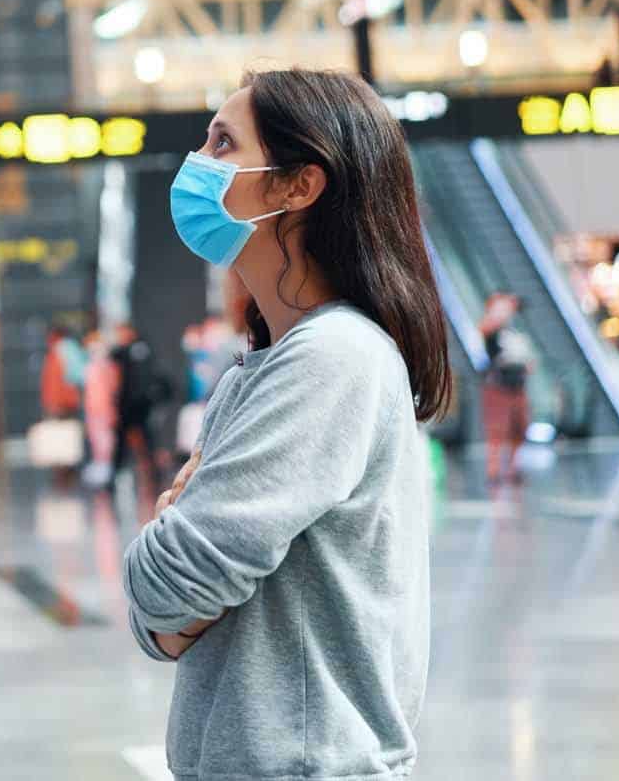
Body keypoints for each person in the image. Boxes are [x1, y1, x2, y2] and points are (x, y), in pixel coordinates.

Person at [123, 68, 452, 781]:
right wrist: (178, 562)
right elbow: (164, 625)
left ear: (298, 185)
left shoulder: (333, 358)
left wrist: (171, 533)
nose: (198, 164)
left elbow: (166, 586)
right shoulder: (266, 366)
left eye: (222, 143)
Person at [479, 293, 535, 486]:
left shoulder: (515, 329)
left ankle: (512, 468)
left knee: (519, 428)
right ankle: (493, 471)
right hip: (498, 386)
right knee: (497, 430)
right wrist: (500, 308)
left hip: (518, 385)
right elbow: (486, 328)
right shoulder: (492, 327)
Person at [114, 322, 170, 488]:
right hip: (140, 404)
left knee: (143, 443)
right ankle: (152, 477)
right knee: (144, 443)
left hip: (135, 405)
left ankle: (152, 477)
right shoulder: (143, 349)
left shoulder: (131, 350)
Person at [81, 329, 119, 488]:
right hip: (93, 409)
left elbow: (111, 389)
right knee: (96, 439)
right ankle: (100, 466)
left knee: (104, 440)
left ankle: (106, 467)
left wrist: (109, 409)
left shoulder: (106, 367)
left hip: (103, 409)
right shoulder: (91, 367)